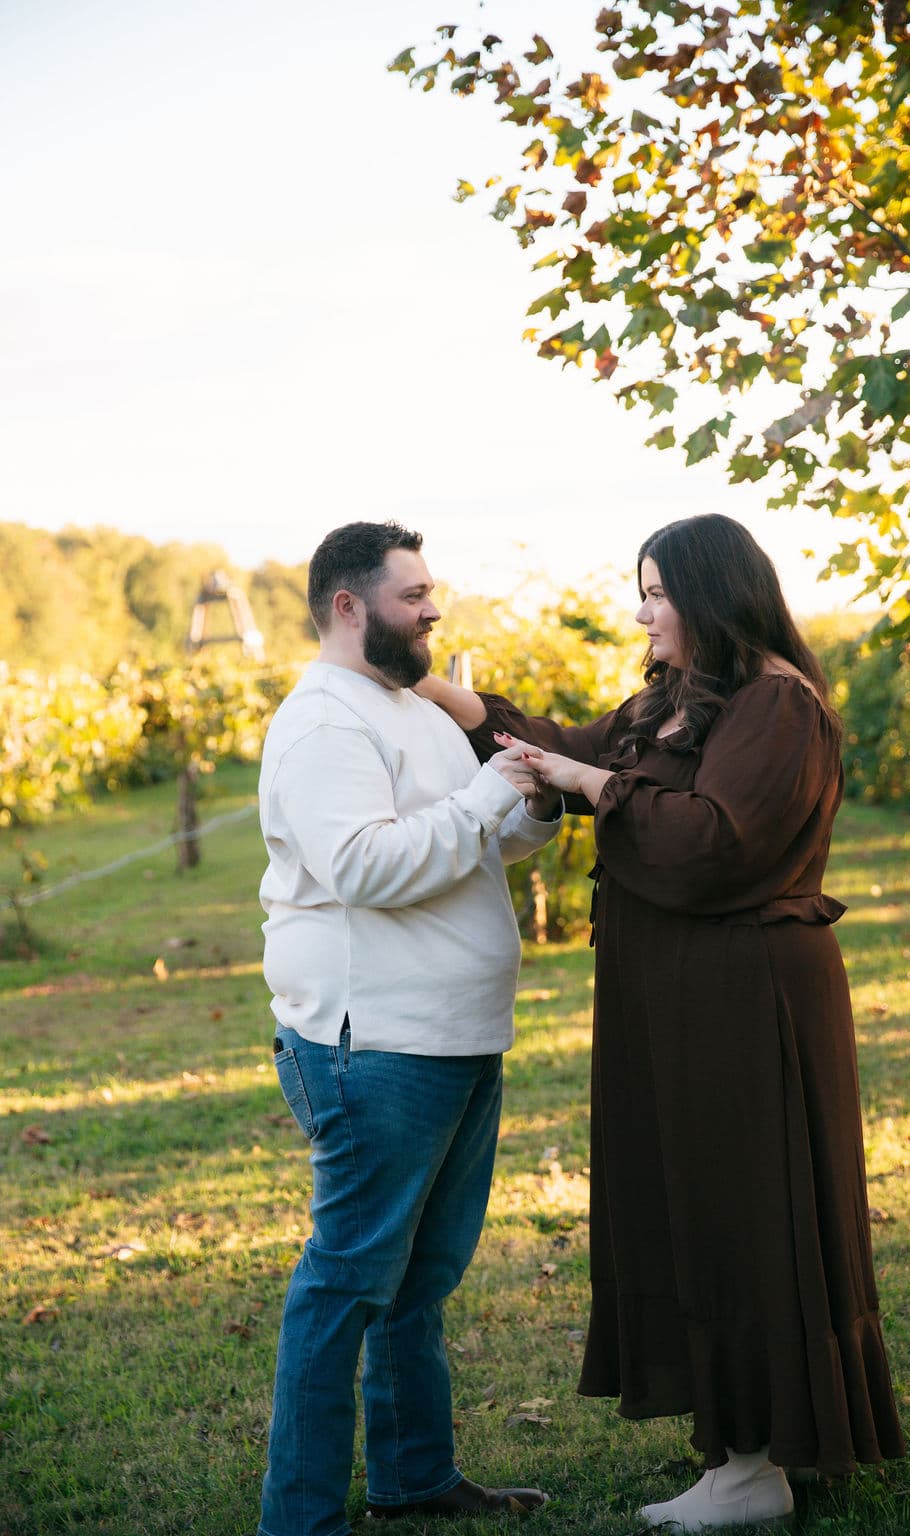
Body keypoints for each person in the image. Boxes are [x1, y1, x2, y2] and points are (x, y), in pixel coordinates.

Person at [417, 513, 906, 1532]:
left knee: (743, 1212)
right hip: (681, 997)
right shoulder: (677, 700)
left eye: (656, 593)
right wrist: (432, 689)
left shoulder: (778, 703)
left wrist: (592, 786)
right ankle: (762, 1442)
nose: (642, 613)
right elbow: (560, 746)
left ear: (712, 593)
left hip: (746, 998)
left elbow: (712, 842)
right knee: (696, 1207)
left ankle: (753, 1465)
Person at [256, 521, 561, 1536]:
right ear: (348, 606)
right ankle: (299, 1520)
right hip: (374, 1045)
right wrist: (482, 797)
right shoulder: (324, 723)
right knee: (347, 1285)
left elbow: (464, 843)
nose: (434, 610)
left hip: (455, 1036)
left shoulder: (414, 706)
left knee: (418, 1282)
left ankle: (415, 1480)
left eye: (432, 591)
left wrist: (527, 807)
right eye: (413, 594)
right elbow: (367, 867)